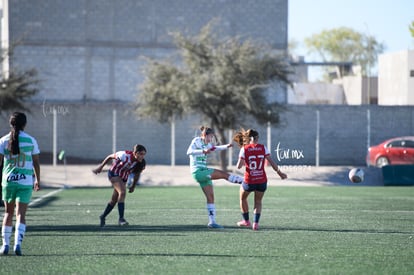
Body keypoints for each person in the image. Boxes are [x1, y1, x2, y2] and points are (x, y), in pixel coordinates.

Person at [186, 126, 244, 229]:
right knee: (223, 174)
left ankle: (212, 222)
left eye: (212, 137)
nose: (211, 139)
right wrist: (203, 151)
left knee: (211, 197)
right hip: (198, 172)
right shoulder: (196, 141)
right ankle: (245, 181)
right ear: (204, 135)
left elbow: (214, 148)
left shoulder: (207, 144)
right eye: (210, 136)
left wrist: (226, 146)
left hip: (203, 172)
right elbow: (189, 152)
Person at [0, 112, 41, 256]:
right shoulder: (31, 141)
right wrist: (37, 179)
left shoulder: (3, 140)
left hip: (8, 182)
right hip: (25, 182)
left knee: (8, 213)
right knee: (20, 215)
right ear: (24, 124)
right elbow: (36, 162)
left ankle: (5, 245)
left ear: (11, 124)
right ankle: (17, 244)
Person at [233, 128, 287, 231]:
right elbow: (272, 162)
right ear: (257, 138)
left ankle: (246, 221)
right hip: (262, 180)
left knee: (242, 198)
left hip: (249, 180)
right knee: (258, 201)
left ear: (249, 138)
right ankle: (255, 224)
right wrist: (280, 174)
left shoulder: (244, 149)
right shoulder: (263, 148)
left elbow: (239, 166)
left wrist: (242, 159)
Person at [92, 144, 146, 227]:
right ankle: (121, 219)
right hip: (114, 174)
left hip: (123, 177)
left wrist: (133, 186)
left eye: (144, 154)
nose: (142, 156)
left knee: (114, 200)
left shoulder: (141, 162)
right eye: (141, 154)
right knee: (123, 192)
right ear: (135, 153)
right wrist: (100, 167)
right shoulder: (124, 155)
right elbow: (110, 157)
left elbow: (137, 174)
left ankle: (103, 216)